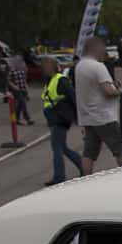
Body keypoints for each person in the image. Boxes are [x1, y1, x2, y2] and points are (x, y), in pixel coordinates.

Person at [75, 36, 122, 173]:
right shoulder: (98, 66)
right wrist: (120, 90)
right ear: (95, 49)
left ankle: (85, 178)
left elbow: (93, 88)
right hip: (104, 117)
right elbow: (108, 91)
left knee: (89, 153)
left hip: (88, 117)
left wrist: (111, 86)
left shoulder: (79, 66)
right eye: (102, 49)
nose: (103, 52)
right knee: (120, 149)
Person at [40, 56, 82, 185]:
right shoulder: (50, 80)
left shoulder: (60, 80)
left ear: (52, 67)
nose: (43, 69)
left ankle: (59, 177)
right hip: (54, 118)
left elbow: (73, 97)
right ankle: (83, 165)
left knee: (57, 148)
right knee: (62, 147)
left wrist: (78, 117)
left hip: (59, 119)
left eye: (45, 66)